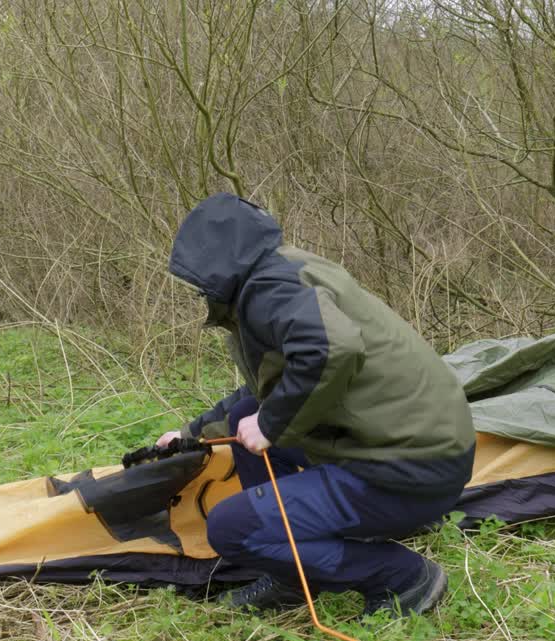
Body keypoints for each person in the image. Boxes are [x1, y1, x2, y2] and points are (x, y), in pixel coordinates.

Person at [155, 193, 475, 618]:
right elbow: (264, 393)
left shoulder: (269, 289)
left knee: (230, 528)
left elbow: (333, 348)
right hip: (413, 451)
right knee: (243, 417)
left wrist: (271, 423)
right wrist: (189, 435)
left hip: (409, 469)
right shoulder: (282, 272)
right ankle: (292, 574)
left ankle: (402, 577)